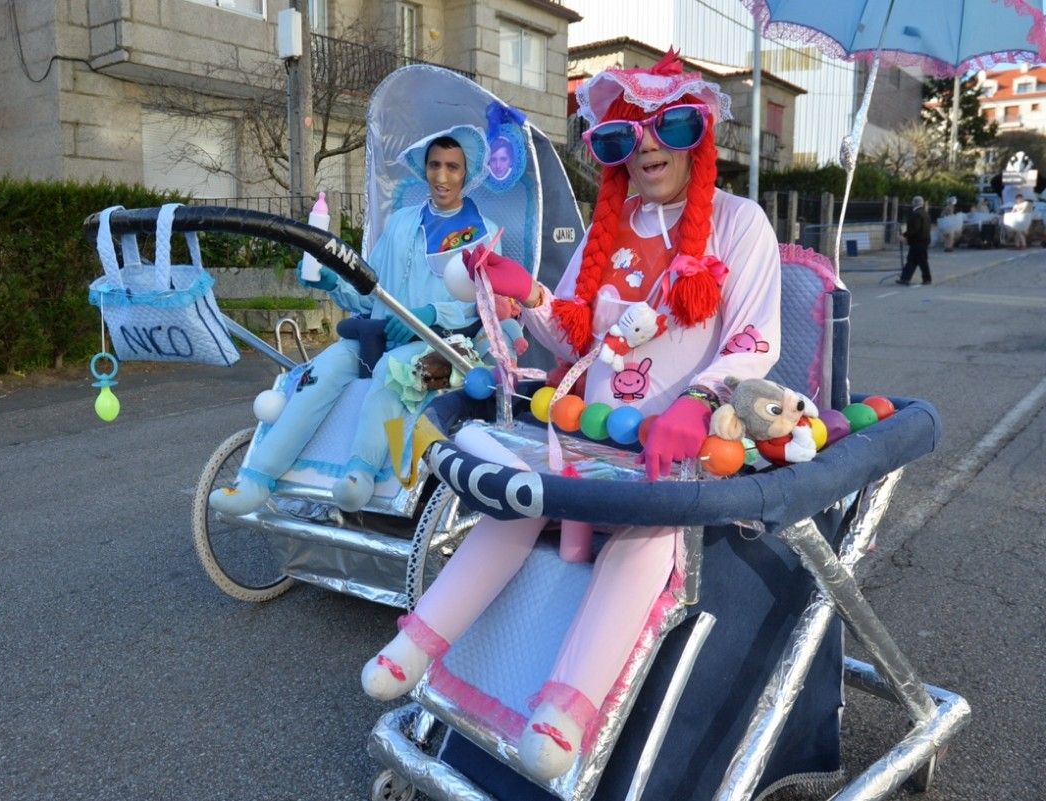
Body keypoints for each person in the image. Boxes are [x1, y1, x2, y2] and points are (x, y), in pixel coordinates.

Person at [360, 53, 782, 782]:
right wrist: (527, 296)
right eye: (622, 137)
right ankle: (418, 645)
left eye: (667, 126)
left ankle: (564, 713)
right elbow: (574, 336)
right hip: (585, 441)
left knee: (646, 532)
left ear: (697, 135)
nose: (646, 147)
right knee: (515, 500)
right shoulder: (610, 228)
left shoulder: (740, 226)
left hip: (670, 461)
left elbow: (755, 340)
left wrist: (700, 402)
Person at [209, 125, 499, 515]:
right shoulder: (400, 223)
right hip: (375, 334)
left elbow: (485, 305)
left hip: (445, 348)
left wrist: (430, 315)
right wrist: (332, 281)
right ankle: (257, 478)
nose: (442, 176)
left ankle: (359, 474)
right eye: (434, 165)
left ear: (467, 172)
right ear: (424, 169)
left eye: (452, 167)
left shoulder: (484, 233)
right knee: (318, 373)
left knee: (392, 372)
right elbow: (369, 288)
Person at [897, 196, 931, 285]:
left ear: (914, 203)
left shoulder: (916, 214)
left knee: (921, 260)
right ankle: (905, 278)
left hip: (918, 241)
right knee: (912, 260)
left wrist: (904, 235)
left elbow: (914, 228)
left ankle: (927, 279)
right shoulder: (925, 213)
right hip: (923, 240)